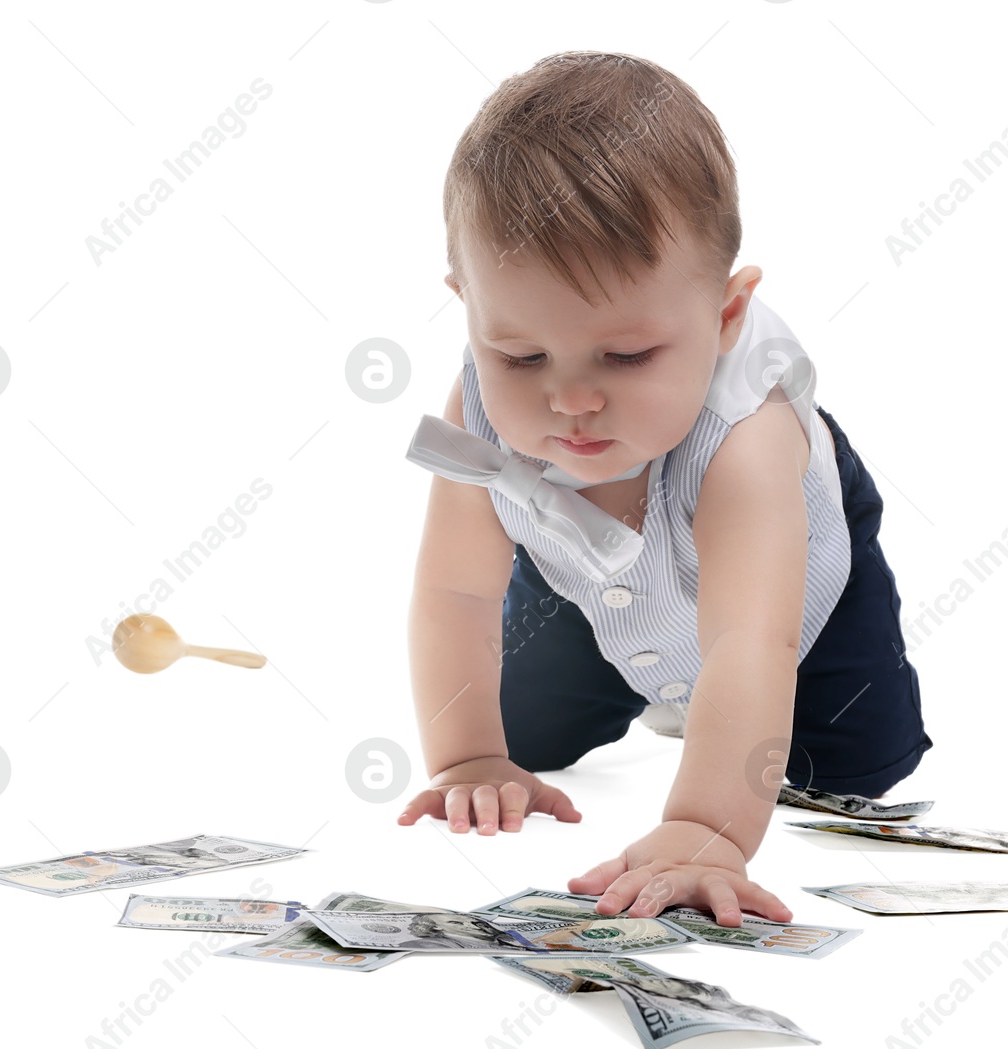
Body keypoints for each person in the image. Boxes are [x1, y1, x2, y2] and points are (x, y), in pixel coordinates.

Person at [399, 50, 932, 928]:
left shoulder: (746, 438)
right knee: (522, 741)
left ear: (724, 318)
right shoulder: (483, 403)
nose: (570, 400)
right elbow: (455, 590)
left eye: (627, 354)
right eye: (522, 357)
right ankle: (665, 695)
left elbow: (749, 637)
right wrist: (466, 760)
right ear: (469, 308)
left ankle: (712, 723)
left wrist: (704, 827)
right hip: (584, 564)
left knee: (855, 771)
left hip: (785, 596)